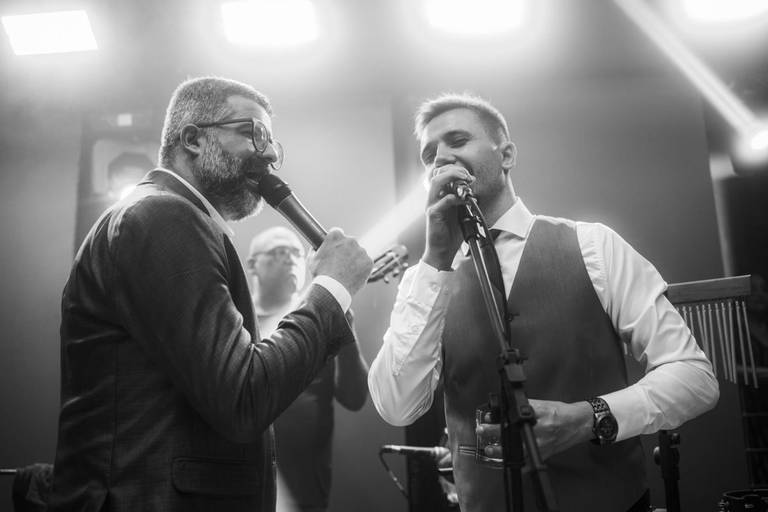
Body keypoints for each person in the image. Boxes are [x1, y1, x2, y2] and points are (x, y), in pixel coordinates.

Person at [367, 93, 720, 512]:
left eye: (458, 140)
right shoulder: (424, 281)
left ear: (507, 155)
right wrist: (434, 262)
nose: (441, 158)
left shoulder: (593, 245)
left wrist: (590, 417)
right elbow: (397, 406)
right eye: (429, 155)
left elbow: (693, 376)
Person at [49, 76, 372, 511]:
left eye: (272, 143)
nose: (269, 155)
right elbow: (242, 398)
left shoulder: (167, 216)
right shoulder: (164, 215)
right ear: (193, 139)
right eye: (252, 133)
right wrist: (330, 290)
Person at [246, 226, 369, 512]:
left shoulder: (319, 321)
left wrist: (345, 325)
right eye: (279, 252)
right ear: (252, 265)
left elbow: (354, 398)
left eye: (296, 253)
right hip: (243, 486)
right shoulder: (236, 321)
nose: (290, 259)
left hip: (306, 491)